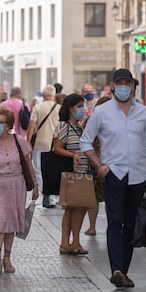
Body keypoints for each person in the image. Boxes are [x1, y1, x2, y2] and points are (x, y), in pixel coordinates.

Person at [81, 68, 146, 288]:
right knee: (115, 221)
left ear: (133, 86)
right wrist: (99, 165)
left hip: (138, 175)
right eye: (120, 83)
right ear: (113, 86)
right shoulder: (102, 112)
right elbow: (86, 141)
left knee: (130, 223)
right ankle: (116, 268)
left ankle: (123, 270)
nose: (124, 86)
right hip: (114, 173)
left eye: (128, 83)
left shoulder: (142, 112)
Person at [0, 106, 38, 273]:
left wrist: (35, 184)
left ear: (9, 125)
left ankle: (7, 258)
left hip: (16, 185)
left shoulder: (19, 141)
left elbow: (28, 163)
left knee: (11, 221)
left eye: (0, 122)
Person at [53, 94, 89, 255]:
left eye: (83, 105)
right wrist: (72, 155)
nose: (82, 109)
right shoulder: (64, 126)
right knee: (72, 208)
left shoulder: (80, 127)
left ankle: (72, 242)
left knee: (78, 208)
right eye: (79, 106)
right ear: (70, 108)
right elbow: (57, 147)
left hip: (83, 172)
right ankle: (68, 242)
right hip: (72, 173)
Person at [26, 84, 60, 208]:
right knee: (54, 170)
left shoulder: (38, 107)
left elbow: (31, 126)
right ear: (54, 95)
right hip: (56, 144)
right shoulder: (60, 108)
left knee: (39, 170)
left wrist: (28, 142)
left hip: (41, 143)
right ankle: (53, 197)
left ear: (44, 96)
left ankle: (45, 192)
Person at [83, 96, 110, 236]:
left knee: (93, 197)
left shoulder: (90, 120)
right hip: (109, 162)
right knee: (109, 197)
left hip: (93, 162)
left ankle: (92, 227)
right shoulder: (114, 120)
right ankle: (110, 226)